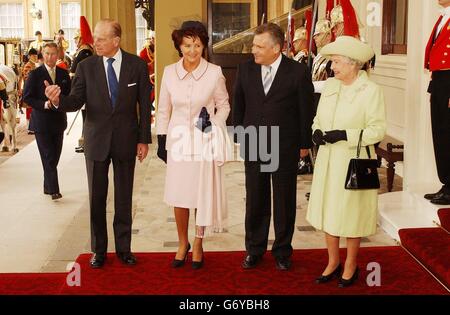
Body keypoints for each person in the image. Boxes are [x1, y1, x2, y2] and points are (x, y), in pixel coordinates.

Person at [44, 19, 152, 268]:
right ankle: (99, 250)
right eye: (95, 37)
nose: (96, 42)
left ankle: (124, 249)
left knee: (124, 197)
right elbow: (75, 101)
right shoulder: (86, 66)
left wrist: (143, 139)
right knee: (97, 197)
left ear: (116, 41)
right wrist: (59, 100)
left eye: (102, 39)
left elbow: (145, 106)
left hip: (126, 138)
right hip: (96, 141)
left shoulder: (136, 65)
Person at [306, 36, 386, 288]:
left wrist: (346, 135)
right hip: (329, 159)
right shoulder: (330, 86)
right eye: (332, 62)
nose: (333, 67)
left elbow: (377, 130)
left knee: (351, 215)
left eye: (337, 62)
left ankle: (351, 264)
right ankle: (332, 261)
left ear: (354, 64)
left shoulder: (371, 91)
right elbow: (318, 119)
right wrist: (316, 132)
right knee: (329, 211)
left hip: (355, 161)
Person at [233, 23, 314, 271]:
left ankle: (282, 250)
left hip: (285, 145)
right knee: (255, 198)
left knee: (284, 200)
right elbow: (239, 103)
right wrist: (239, 135)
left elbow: (305, 111)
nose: (253, 50)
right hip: (254, 142)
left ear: (276, 48)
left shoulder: (298, 72)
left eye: (259, 46)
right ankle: (254, 249)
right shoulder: (245, 69)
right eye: (254, 45)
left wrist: (303, 144)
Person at [156, 21, 231, 270]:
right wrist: (162, 138)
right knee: (179, 195)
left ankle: (198, 242)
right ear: (179, 46)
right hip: (177, 141)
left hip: (204, 140)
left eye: (197, 45)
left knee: (200, 194)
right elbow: (164, 109)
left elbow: (224, 105)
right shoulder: (168, 72)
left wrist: (215, 121)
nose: (192, 50)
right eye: (187, 45)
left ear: (203, 46)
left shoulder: (214, 72)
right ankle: (182, 242)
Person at [23, 43, 71, 200]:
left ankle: (47, 185)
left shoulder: (64, 74)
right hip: (41, 123)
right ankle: (54, 190)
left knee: (55, 156)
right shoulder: (35, 74)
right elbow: (27, 97)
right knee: (49, 156)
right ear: (42, 55)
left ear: (58, 55)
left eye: (53, 54)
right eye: (47, 54)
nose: (50, 57)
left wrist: (58, 101)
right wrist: (45, 104)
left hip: (58, 122)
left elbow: (69, 96)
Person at [423, 0, 450, 205]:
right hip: (440, 80)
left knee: (448, 133)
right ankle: (446, 183)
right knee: (440, 133)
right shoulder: (443, 17)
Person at [71, 16, 95, 154]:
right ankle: (85, 141)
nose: (75, 41)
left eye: (76, 38)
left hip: (85, 91)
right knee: (85, 118)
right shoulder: (82, 51)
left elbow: (84, 74)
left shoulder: (85, 52)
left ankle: (88, 142)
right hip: (81, 89)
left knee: (87, 119)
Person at [19, 48, 39, 134]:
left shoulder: (34, 64)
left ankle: (32, 126)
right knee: (29, 109)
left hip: (34, 89)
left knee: (32, 108)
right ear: (30, 56)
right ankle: (29, 127)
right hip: (29, 89)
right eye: (34, 56)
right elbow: (27, 79)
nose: (35, 57)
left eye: (36, 55)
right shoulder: (28, 65)